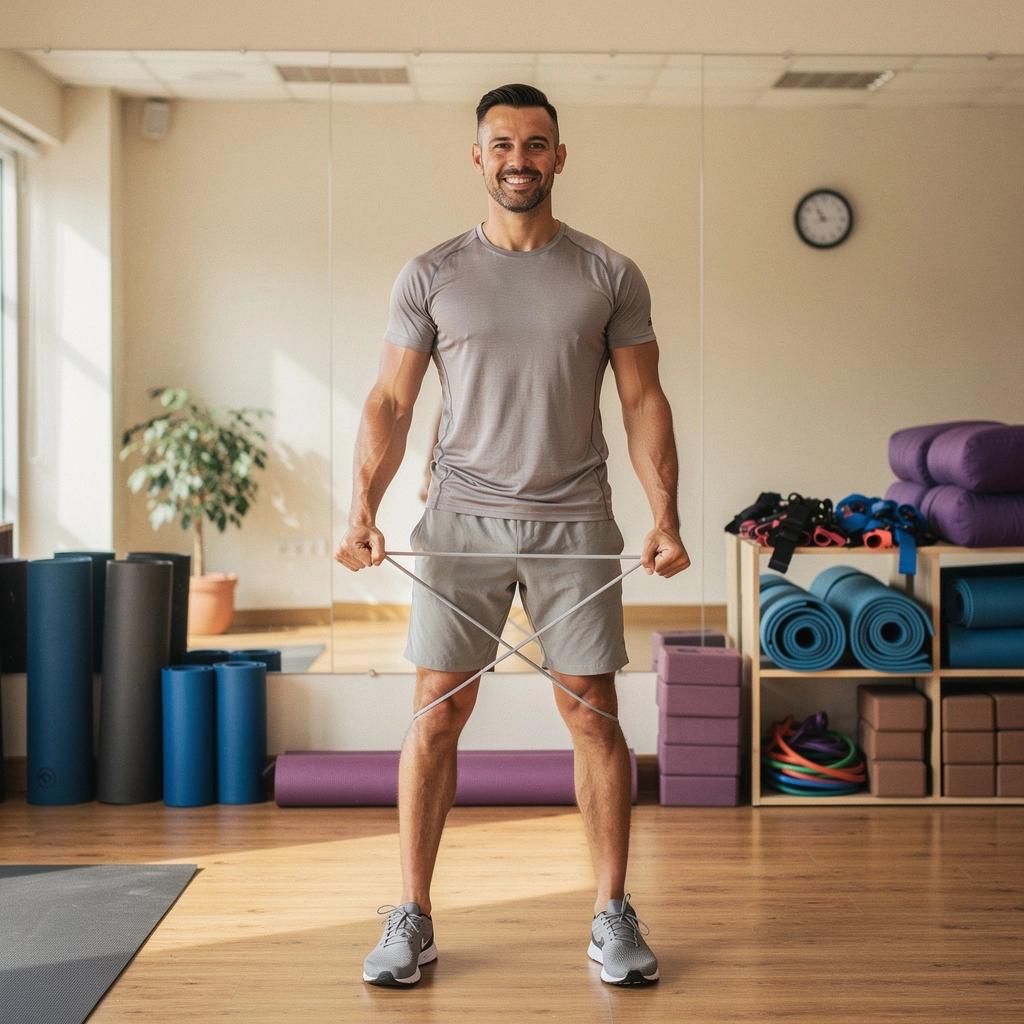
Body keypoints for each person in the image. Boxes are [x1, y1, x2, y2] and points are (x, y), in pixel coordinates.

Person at [335, 83, 690, 989]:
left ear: (559, 157)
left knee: (592, 714)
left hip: (575, 516)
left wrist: (666, 516)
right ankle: (410, 915)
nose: (519, 160)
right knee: (436, 714)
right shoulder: (431, 273)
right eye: (502, 145)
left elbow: (644, 399)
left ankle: (612, 914)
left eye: (536, 145)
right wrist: (362, 508)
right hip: (461, 516)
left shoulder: (609, 273)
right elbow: (390, 400)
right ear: (478, 157)